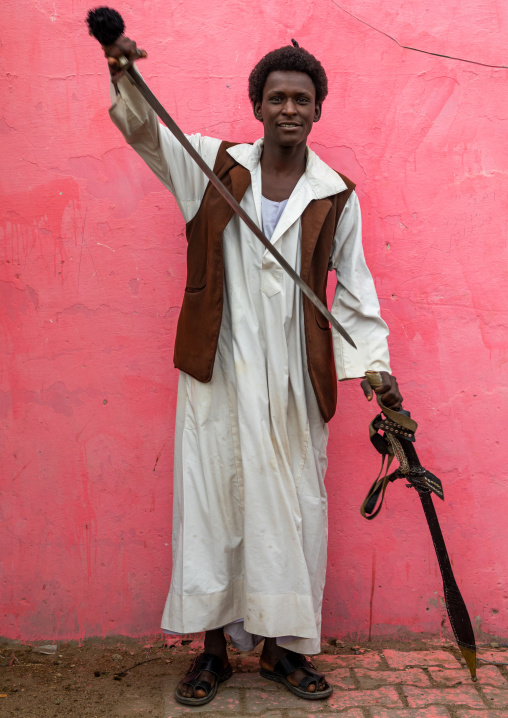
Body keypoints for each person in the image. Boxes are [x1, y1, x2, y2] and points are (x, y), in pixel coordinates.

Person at [102, 36, 402, 706]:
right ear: (257, 106)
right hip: (216, 375)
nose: (289, 108)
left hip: (295, 382)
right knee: (213, 509)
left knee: (292, 513)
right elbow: (145, 131)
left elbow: (354, 293)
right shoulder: (211, 165)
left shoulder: (335, 194)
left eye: (302, 99)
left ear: (318, 110)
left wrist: (377, 372)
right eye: (277, 98)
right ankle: (211, 654)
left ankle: (280, 653)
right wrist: (121, 74)